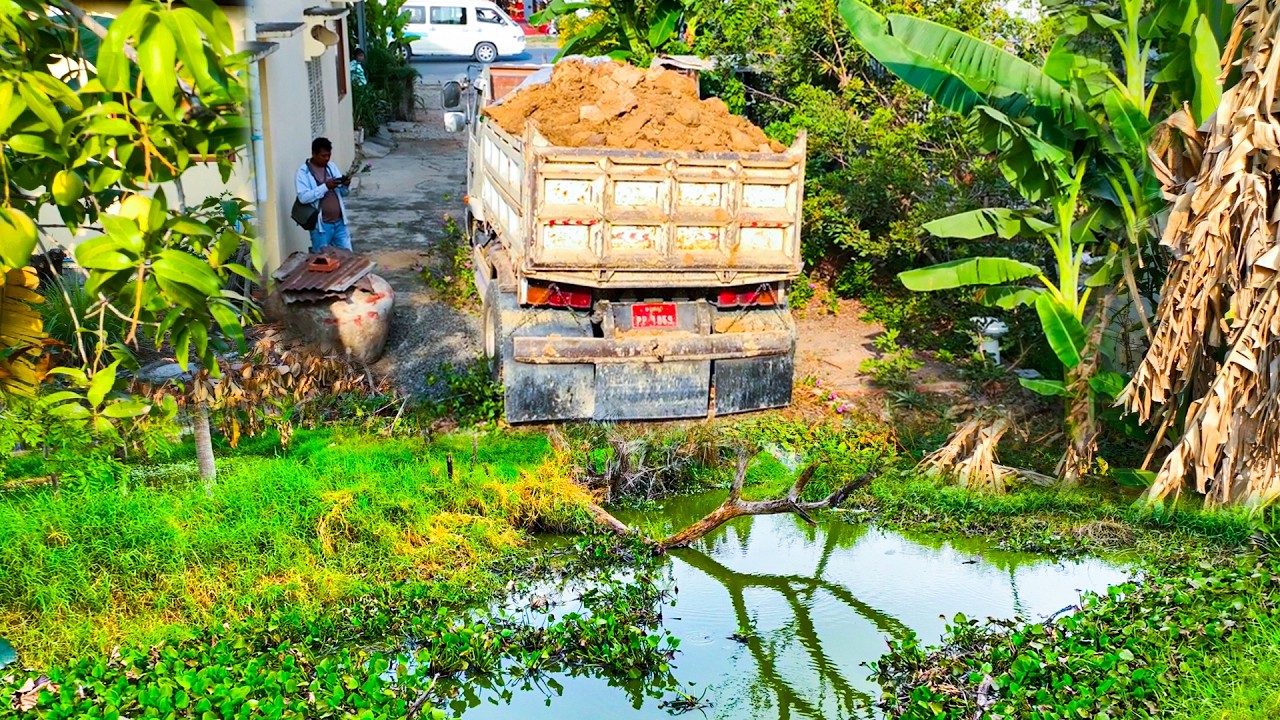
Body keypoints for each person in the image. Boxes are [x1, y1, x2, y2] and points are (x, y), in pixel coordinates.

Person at [295, 137, 352, 252]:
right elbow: (303, 198)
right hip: (321, 226)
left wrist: (345, 185)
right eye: (323, 156)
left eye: (329, 155)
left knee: (348, 256)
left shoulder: (331, 167)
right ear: (314, 154)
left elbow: (342, 193)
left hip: (339, 222)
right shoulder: (303, 172)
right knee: (322, 259)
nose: (327, 159)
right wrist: (325, 187)